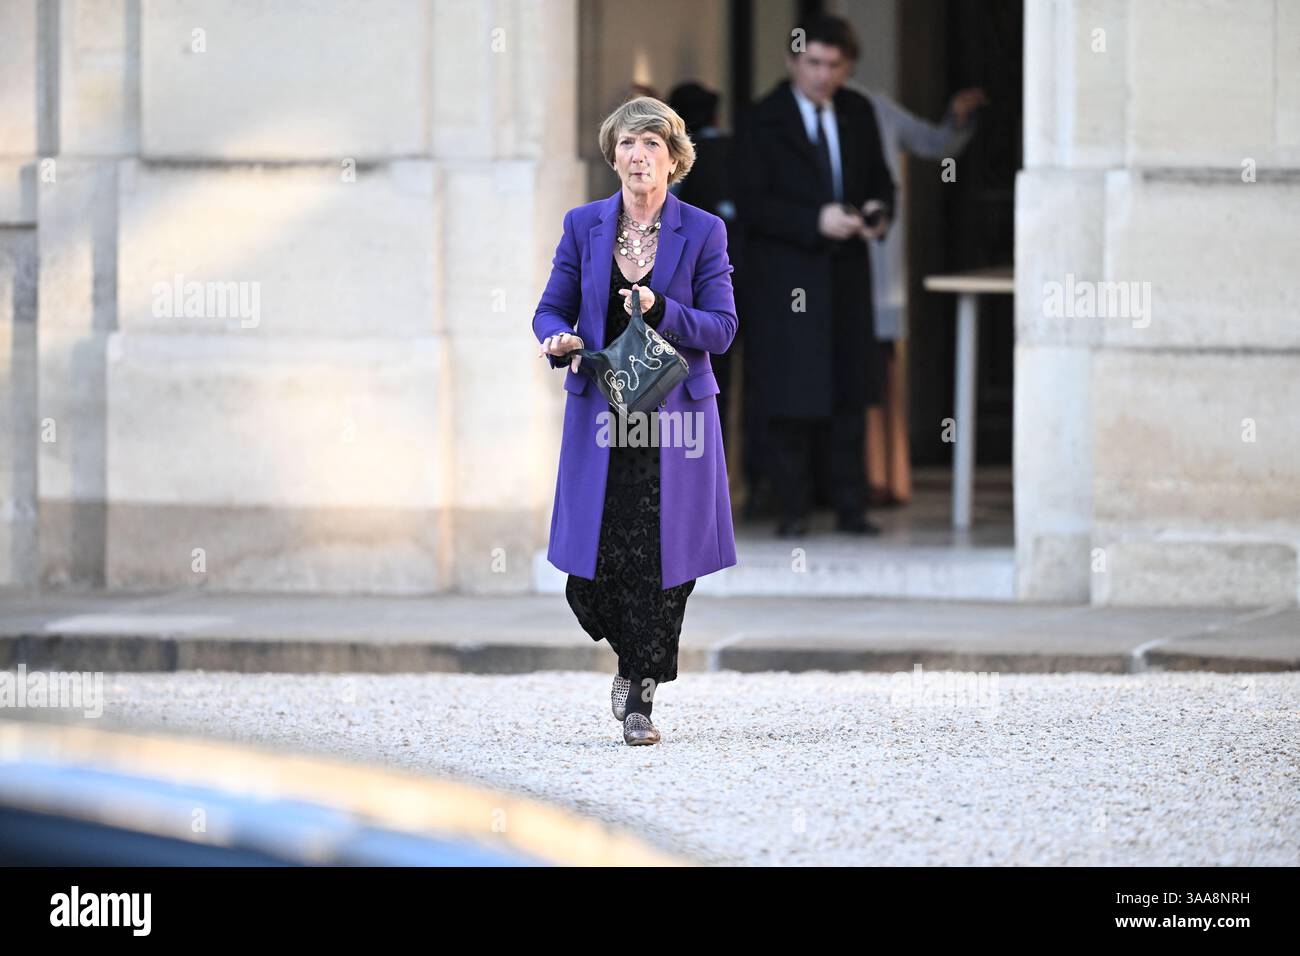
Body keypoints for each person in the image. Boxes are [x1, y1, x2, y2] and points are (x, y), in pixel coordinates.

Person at [533, 96, 739, 746]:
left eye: (651, 144)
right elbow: (550, 310)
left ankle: (640, 693)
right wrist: (558, 339)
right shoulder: (583, 225)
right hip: (604, 418)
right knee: (589, 575)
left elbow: (724, 328)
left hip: (676, 421)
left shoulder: (703, 231)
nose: (638, 155)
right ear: (613, 155)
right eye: (627, 144)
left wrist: (664, 307)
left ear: (674, 159)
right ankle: (632, 655)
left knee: (661, 563)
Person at [737, 14, 896, 539]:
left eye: (834, 65)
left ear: (846, 67)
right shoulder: (763, 118)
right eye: (814, 63)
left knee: (850, 390)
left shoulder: (857, 112)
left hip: (847, 274)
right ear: (792, 61)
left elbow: (882, 181)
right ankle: (793, 509)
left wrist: (877, 210)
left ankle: (851, 507)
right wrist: (814, 220)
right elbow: (751, 203)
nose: (823, 75)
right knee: (790, 395)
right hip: (787, 280)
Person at [848, 80, 987, 507]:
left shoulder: (874, 107)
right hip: (813, 271)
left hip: (873, 268)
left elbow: (934, 143)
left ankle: (879, 479)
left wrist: (958, 119)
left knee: (877, 368)